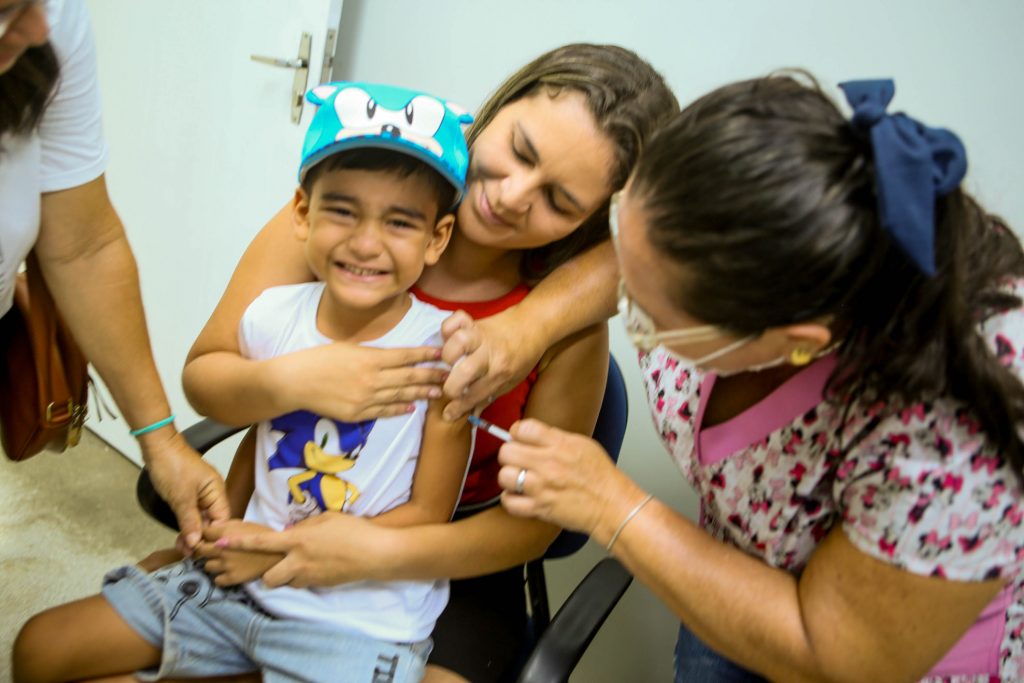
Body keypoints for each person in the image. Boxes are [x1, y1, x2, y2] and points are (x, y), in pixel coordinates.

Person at [493, 72, 1024, 682]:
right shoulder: (739, 225)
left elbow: (835, 655)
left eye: (649, 315)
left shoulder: (950, 440)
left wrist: (611, 505)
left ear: (794, 345)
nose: (623, 300)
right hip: (730, 562)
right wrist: (527, 326)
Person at [183, 44, 678, 683]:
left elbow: (530, 529)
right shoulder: (348, 221)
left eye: (558, 201)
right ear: (490, 112)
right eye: (519, 150)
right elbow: (217, 371)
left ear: (590, 224)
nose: (512, 196)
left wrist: (376, 552)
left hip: (450, 556)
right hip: (280, 510)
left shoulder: (566, 327)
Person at [14, 81, 478, 683]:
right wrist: (222, 533)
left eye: (399, 222)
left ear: (437, 238)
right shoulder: (272, 317)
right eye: (342, 211)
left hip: (355, 623)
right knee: (41, 649)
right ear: (302, 213)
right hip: (236, 588)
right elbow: (254, 434)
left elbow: (427, 514)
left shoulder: (447, 352)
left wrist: (277, 551)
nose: (366, 242)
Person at [0, 1, 227, 544]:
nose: (38, 27)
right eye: (7, 11)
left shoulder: (51, 23)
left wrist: (161, 440)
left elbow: (84, 246)